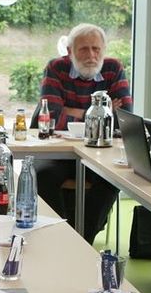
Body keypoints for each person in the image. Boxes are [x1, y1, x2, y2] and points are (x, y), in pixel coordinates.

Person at [36, 23, 132, 242]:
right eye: (84, 49)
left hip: (100, 152)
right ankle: (60, 235)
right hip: (58, 153)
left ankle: (81, 240)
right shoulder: (56, 68)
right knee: (41, 175)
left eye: (96, 49)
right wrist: (99, 112)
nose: (91, 55)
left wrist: (70, 111)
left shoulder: (113, 68)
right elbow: (50, 116)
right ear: (70, 51)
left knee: (112, 180)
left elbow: (123, 119)